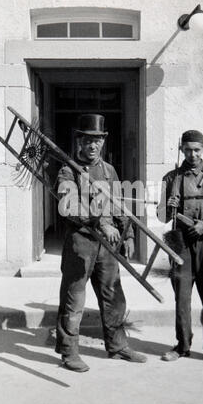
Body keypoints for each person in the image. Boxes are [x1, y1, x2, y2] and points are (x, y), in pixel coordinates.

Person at [55, 113, 147, 372]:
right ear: (79, 142)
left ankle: (117, 346)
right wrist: (99, 222)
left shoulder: (109, 171)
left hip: (107, 245)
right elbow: (69, 206)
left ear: (103, 142)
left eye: (97, 141)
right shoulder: (67, 170)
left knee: (113, 296)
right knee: (74, 299)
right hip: (80, 244)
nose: (93, 146)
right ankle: (69, 352)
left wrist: (128, 235)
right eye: (88, 141)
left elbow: (119, 206)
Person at [158, 130, 203, 366]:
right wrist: (168, 208)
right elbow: (161, 216)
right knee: (181, 297)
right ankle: (182, 346)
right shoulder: (171, 178)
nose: (192, 154)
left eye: (197, 149)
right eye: (188, 149)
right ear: (181, 149)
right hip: (180, 244)